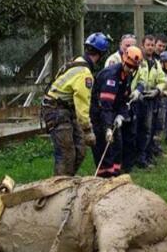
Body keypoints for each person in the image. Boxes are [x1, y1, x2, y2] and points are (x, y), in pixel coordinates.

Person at [42, 32, 110, 175]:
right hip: (56, 110)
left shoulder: (76, 61)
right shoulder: (85, 73)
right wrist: (87, 130)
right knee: (66, 154)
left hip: (64, 108)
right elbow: (82, 105)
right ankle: (60, 187)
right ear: (102, 54)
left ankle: (68, 178)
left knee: (80, 150)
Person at [90, 45, 143, 177]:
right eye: (129, 66)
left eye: (133, 68)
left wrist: (121, 115)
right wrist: (107, 128)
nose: (131, 70)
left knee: (117, 146)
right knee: (104, 148)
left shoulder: (127, 75)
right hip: (99, 114)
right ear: (124, 61)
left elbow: (123, 99)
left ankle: (115, 175)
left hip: (112, 113)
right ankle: (104, 178)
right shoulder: (111, 77)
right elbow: (105, 106)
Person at [134, 35, 166, 167]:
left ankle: (147, 155)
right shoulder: (138, 60)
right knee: (143, 130)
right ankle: (140, 158)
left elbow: (162, 80)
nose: (151, 47)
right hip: (139, 99)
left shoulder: (156, 63)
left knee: (151, 129)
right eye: (148, 45)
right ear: (142, 45)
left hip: (152, 99)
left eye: (152, 45)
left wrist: (157, 90)